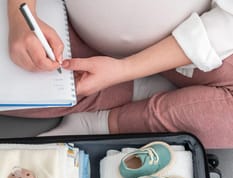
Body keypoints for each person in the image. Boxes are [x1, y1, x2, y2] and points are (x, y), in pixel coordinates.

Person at [5, 0, 233, 148]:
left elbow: (226, 25)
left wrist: (125, 69)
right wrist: (20, 17)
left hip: (184, 47)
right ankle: (142, 90)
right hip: (65, 31)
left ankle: (100, 123)